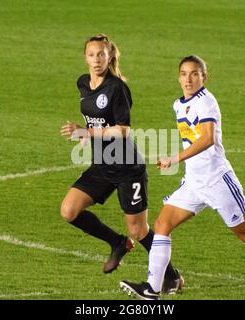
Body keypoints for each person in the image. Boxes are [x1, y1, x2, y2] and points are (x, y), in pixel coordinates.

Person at [119, 55, 245, 300]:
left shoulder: (207, 102)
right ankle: (152, 289)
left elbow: (207, 139)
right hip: (194, 183)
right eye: (184, 73)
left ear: (204, 77)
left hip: (217, 181)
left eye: (195, 73)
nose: (188, 79)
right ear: (178, 77)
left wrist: (175, 158)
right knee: (162, 225)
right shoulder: (178, 104)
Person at [59, 34, 183, 293]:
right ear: (85, 57)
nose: (96, 60)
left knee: (139, 230)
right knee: (69, 211)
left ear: (109, 56)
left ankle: (172, 277)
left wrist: (87, 133)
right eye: (92, 55)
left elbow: (123, 129)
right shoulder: (83, 84)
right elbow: (94, 120)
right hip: (101, 166)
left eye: (101, 55)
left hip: (127, 168)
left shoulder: (117, 88)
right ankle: (117, 242)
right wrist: (86, 136)